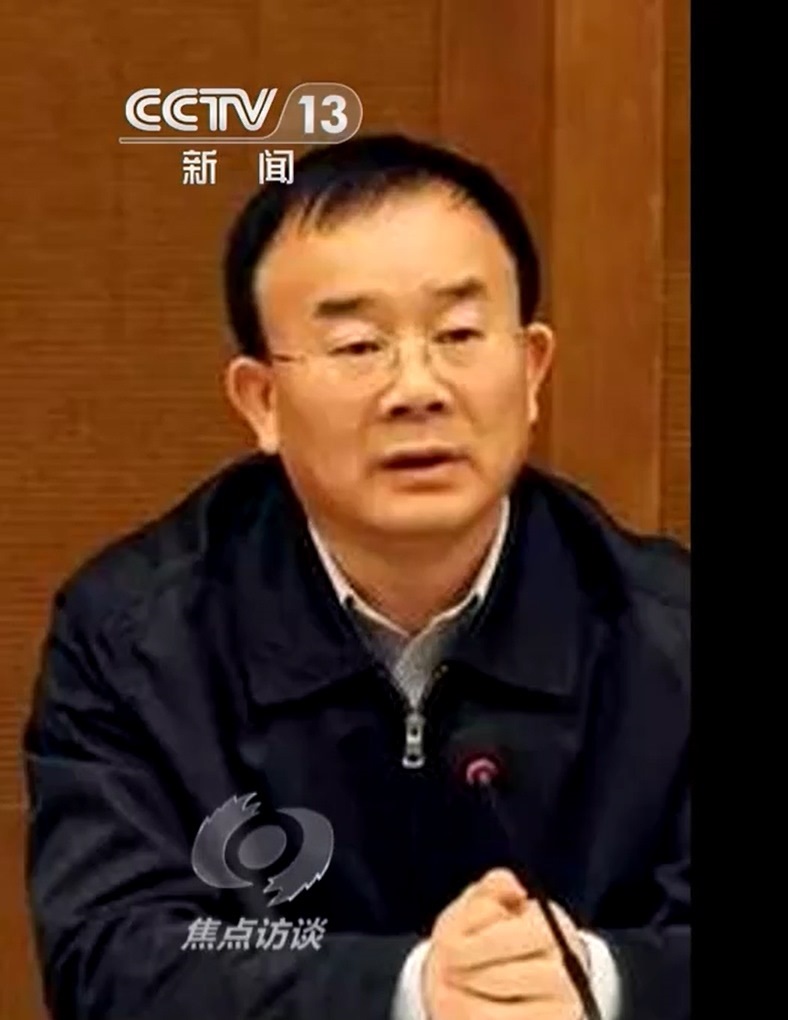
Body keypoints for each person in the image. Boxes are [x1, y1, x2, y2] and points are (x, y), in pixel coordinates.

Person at [20, 134, 689, 1020]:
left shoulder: (669, 631)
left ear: (531, 371)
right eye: (359, 345)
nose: (417, 387)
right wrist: (412, 991)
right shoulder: (137, 639)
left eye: (458, 334)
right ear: (262, 400)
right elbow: (110, 956)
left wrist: (594, 978)